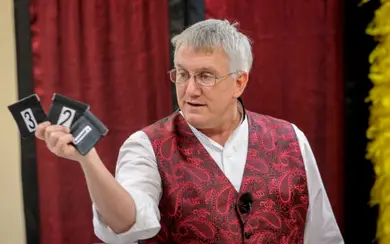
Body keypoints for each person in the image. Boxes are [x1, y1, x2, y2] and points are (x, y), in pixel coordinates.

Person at [35, 19, 344, 244]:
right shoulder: (146, 146)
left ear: (240, 82)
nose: (190, 89)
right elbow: (126, 223)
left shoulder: (291, 139)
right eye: (182, 74)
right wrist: (88, 160)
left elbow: (322, 234)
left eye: (206, 76)